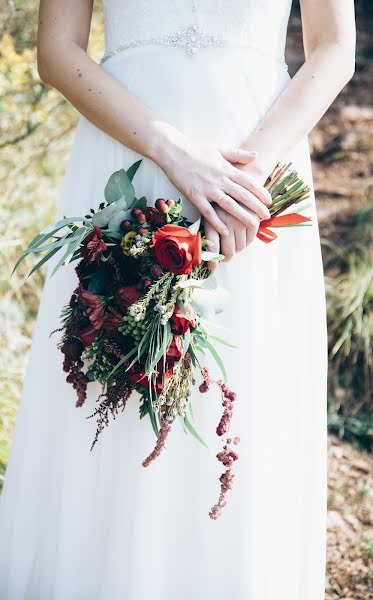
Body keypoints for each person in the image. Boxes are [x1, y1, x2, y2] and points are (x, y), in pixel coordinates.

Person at [0, 1, 355, 599]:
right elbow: (58, 50)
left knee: (241, 379)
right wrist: (176, 154)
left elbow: (334, 47)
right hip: (128, 150)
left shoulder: (251, 175)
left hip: (253, 161)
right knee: (109, 370)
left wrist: (246, 180)